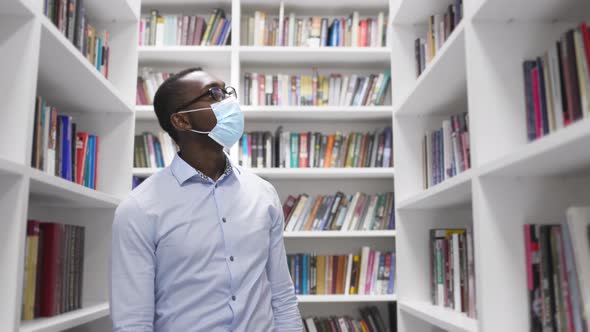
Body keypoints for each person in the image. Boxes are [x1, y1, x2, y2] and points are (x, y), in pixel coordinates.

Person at [110, 68, 302, 332]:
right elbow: (133, 321)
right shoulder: (139, 210)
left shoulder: (263, 194)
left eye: (225, 91)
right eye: (213, 94)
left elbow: (281, 294)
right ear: (181, 121)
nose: (227, 101)